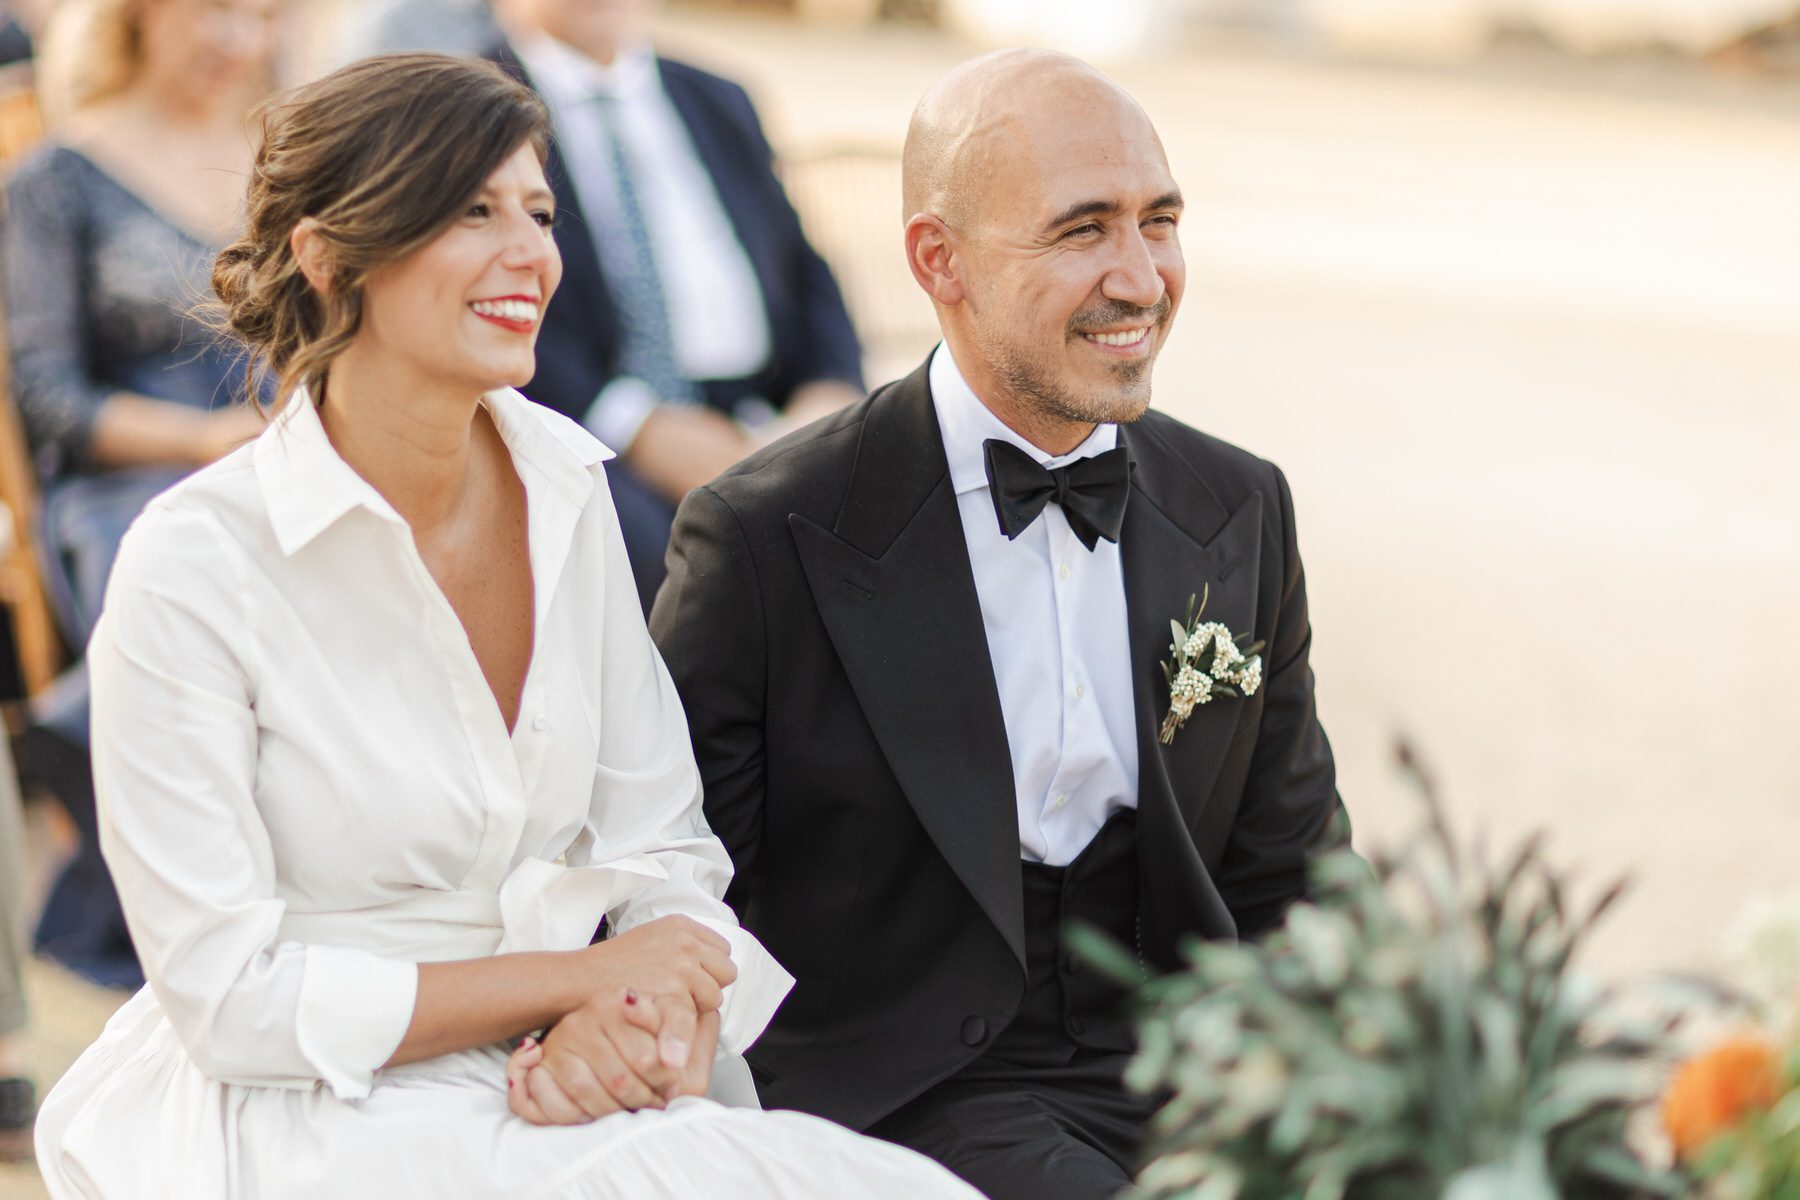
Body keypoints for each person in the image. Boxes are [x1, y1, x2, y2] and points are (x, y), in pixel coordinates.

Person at [31, 52, 978, 1200]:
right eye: (469, 211)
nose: (529, 253)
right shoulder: (195, 565)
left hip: (559, 1077)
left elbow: (662, 849)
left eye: (538, 210)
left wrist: (630, 1014)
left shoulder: (568, 492)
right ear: (327, 257)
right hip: (308, 1109)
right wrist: (565, 985)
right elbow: (232, 999)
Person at [649, 49, 1348, 1200]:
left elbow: (1294, 867)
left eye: (1158, 221)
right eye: (1084, 232)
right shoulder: (767, 534)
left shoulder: (1238, 506)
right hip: (906, 1088)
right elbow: (669, 876)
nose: (1141, 279)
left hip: (1201, 1070)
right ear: (941, 260)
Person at [2, 0, 278, 988]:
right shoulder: (55, 177)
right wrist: (206, 438)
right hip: (132, 483)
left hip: (298, 454)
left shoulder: (294, 158)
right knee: (200, 584)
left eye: (264, 15)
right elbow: (48, 399)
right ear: (138, 16)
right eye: (212, 12)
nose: (238, 40)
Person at [486, 0, 865, 611]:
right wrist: (637, 427)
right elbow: (475, 291)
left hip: (764, 412)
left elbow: (802, 264)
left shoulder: (719, 96)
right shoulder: (468, 104)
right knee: (676, 569)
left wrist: (830, 391)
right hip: (589, 427)